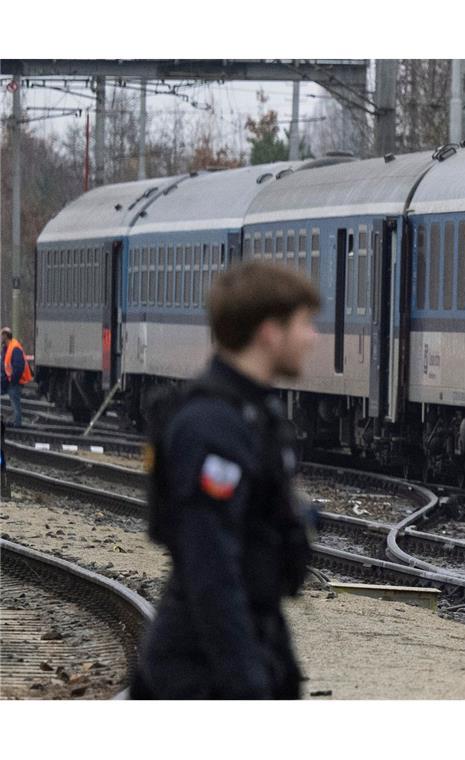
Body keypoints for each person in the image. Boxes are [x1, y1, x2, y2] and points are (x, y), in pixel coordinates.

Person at [131, 260, 319, 700]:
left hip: (249, 643)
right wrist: (248, 685)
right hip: (198, 672)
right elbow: (210, 570)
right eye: (305, 324)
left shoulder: (254, 416)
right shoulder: (210, 426)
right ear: (269, 331)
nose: (313, 338)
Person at [2, 327, 33, 429]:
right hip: (9, 381)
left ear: (5, 336)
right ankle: (16, 421)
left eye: (1, 335)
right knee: (14, 402)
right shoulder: (7, 348)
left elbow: (18, 367)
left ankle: (17, 423)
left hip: (14, 381)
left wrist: (12, 380)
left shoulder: (15, 348)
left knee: (15, 402)